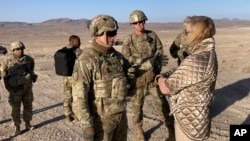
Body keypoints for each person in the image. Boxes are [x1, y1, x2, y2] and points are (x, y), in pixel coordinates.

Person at [156, 16, 218, 141]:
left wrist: (160, 79)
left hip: (189, 123)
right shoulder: (208, 54)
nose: (185, 35)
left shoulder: (196, 59)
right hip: (198, 118)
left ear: (197, 34)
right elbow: (186, 72)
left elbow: (166, 89)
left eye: (187, 32)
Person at [71, 15, 130, 141]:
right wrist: (87, 126)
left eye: (114, 33)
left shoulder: (118, 57)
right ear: (96, 34)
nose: (113, 37)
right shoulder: (87, 60)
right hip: (101, 124)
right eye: (109, 34)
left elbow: (129, 83)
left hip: (120, 119)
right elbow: (79, 97)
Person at [121, 10, 175, 141]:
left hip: (152, 78)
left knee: (163, 104)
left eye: (141, 21)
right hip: (137, 80)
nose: (139, 24)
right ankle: (139, 131)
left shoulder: (152, 35)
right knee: (137, 108)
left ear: (144, 21)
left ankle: (171, 130)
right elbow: (126, 58)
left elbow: (160, 51)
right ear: (132, 24)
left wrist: (156, 63)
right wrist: (143, 61)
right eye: (136, 22)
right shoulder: (129, 39)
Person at [0, 41, 38, 135]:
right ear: (13, 50)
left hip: (27, 89)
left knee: (28, 106)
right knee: (15, 109)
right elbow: (3, 73)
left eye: (21, 49)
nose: (20, 51)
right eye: (17, 49)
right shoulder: (7, 61)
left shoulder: (29, 59)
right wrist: (8, 83)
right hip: (15, 90)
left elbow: (32, 70)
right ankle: (17, 126)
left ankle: (28, 124)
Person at [62, 35, 82, 122]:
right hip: (75, 77)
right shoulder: (78, 51)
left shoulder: (63, 50)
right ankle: (77, 116)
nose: (80, 43)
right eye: (78, 41)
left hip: (66, 78)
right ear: (72, 42)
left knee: (67, 96)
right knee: (77, 97)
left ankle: (67, 116)